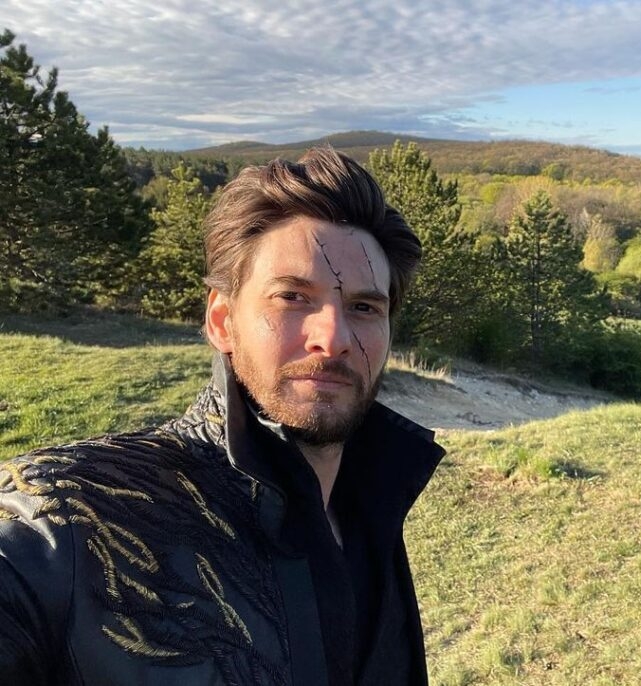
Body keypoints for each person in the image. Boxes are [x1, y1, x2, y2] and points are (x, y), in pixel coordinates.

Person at [0, 148, 445, 685]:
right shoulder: (72, 515)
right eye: (292, 297)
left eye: (364, 307)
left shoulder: (372, 505)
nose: (333, 338)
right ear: (221, 320)